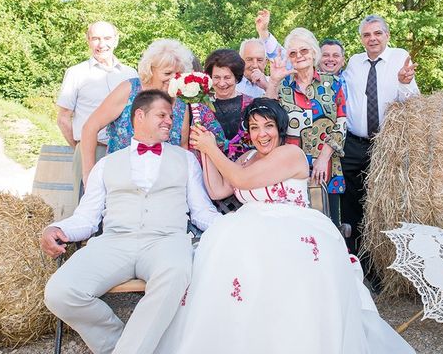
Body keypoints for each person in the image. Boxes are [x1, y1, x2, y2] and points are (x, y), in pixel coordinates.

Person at [155, 97, 415, 354]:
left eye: (267, 126)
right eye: (254, 127)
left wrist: (212, 149)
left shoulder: (291, 154)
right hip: (248, 226)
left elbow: (241, 180)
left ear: (279, 128)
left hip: (292, 225)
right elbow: (218, 189)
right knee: (221, 252)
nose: (261, 134)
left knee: (274, 258)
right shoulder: (247, 157)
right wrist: (204, 151)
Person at [41, 90, 221, 354]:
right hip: (115, 241)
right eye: (162, 115)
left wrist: (232, 226)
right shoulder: (106, 164)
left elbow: (202, 212)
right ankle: (122, 344)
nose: (169, 122)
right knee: (60, 292)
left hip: (166, 241)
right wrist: (57, 228)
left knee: (176, 272)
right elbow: (87, 217)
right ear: (139, 115)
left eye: (171, 117)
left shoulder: (185, 160)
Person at [341, 15, 419, 261]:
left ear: (387, 35)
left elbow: (413, 102)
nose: (372, 38)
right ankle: (357, 259)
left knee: (385, 203)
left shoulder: (399, 58)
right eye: (366, 35)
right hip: (354, 144)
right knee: (352, 202)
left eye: (377, 33)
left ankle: (389, 257)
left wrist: (404, 82)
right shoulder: (353, 62)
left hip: (387, 145)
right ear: (361, 39)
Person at [80, 39, 192, 186]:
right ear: (151, 70)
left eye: (178, 74)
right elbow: (90, 127)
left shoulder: (181, 104)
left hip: (162, 185)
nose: (172, 79)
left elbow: (182, 148)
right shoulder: (128, 89)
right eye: (167, 73)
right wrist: (89, 174)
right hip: (119, 180)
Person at [265, 28, 347, 226]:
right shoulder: (283, 86)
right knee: (297, 227)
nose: (299, 56)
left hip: (326, 167)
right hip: (291, 168)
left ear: (313, 53)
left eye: (304, 50)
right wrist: (273, 81)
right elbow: (266, 116)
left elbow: (341, 123)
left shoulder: (333, 83)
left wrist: (322, 158)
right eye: (293, 53)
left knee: (329, 224)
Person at [56, 21, 138, 203]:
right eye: (96, 39)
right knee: (87, 206)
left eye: (107, 38)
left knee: (122, 206)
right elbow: (63, 119)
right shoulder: (76, 73)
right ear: (88, 41)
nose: (102, 44)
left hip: (125, 154)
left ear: (116, 40)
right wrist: (82, 146)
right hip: (93, 151)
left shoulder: (131, 74)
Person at [192, 49, 254, 161]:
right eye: (216, 77)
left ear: (236, 77)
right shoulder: (200, 108)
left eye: (227, 77)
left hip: (248, 171)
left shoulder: (252, 105)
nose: (221, 83)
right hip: (211, 172)